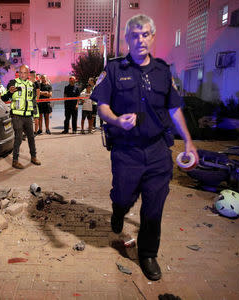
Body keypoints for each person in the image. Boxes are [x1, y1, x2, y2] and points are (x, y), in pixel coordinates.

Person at [91, 14, 198, 281]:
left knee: (153, 208)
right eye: (135, 35)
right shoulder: (114, 70)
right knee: (124, 196)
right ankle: (118, 209)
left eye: (146, 34)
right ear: (127, 39)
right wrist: (116, 120)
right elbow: (101, 105)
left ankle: (148, 253)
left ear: (152, 37)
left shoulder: (163, 71)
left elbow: (174, 109)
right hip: (126, 151)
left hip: (157, 152)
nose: (141, 40)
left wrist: (188, 141)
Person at [1, 65, 41, 169]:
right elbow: (4, 98)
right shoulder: (13, 83)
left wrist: (36, 114)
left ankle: (33, 157)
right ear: (18, 73)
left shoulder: (31, 85)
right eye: (20, 72)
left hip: (28, 116)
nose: (22, 75)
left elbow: (33, 100)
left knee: (31, 137)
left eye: (25, 73)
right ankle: (15, 161)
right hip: (16, 116)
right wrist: (10, 92)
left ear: (28, 74)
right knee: (18, 137)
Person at [30, 71, 41, 135]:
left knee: (36, 117)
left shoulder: (37, 83)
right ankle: (30, 132)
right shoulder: (28, 83)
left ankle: (35, 131)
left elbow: (38, 93)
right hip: (29, 102)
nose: (30, 76)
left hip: (34, 102)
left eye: (32, 74)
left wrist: (37, 101)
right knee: (29, 118)